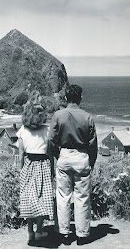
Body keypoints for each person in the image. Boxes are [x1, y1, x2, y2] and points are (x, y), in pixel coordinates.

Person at [48, 84, 98, 246]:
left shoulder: (58, 115)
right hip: (82, 156)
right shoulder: (88, 117)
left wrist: (56, 156)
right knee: (82, 197)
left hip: (64, 156)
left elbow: (51, 141)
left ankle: (64, 234)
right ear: (80, 98)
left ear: (65, 98)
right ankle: (82, 235)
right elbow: (93, 144)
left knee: (63, 197)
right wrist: (90, 162)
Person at [17, 98, 54, 245]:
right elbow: (50, 153)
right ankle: (39, 230)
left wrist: (21, 171)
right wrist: (52, 169)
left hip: (29, 164)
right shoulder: (47, 130)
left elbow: (20, 154)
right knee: (42, 199)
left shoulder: (23, 130)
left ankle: (30, 232)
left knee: (28, 200)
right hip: (43, 164)